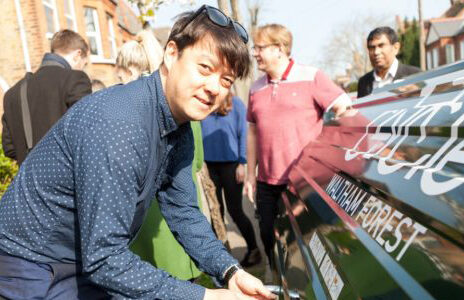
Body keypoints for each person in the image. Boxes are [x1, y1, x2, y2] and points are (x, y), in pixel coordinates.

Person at [0, 5, 275, 300]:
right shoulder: (120, 125)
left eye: (226, 80)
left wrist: (230, 271)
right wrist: (205, 297)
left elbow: (182, 210)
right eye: (205, 68)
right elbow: (106, 259)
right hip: (31, 264)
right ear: (171, 54)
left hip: (86, 259)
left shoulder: (179, 125)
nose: (213, 88)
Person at [245, 24, 350, 273]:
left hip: (304, 182)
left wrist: (331, 156)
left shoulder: (311, 76)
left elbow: (344, 106)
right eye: (255, 48)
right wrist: (250, 174)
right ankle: (276, 275)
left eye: (260, 48)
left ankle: (310, 284)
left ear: (279, 48)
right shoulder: (255, 88)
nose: (255, 53)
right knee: (268, 234)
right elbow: (252, 131)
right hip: (267, 181)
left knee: (311, 239)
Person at [116, 29, 205, 283]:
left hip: (139, 224)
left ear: (127, 69)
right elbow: (196, 163)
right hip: (176, 220)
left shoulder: (122, 107)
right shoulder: (184, 103)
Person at [1, 29, 91, 164]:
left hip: (28, 180)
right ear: (77, 55)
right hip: (67, 179)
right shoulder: (76, 79)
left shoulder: (12, 94)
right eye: (84, 64)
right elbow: (87, 132)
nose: (82, 68)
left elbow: (9, 149)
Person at [201, 93, 261, 268]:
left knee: (235, 211)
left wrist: (242, 162)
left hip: (232, 166)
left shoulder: (236, 103)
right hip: (209, 166)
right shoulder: (204, 101)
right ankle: (223, 259)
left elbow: (245, 133)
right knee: (215, 214)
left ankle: (254, 251)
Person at [357, 26, 421, 98]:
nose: (376, 52)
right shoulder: (364, 82)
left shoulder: (415, 75)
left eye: (381, 46)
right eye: (372, 48)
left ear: (396, 48)